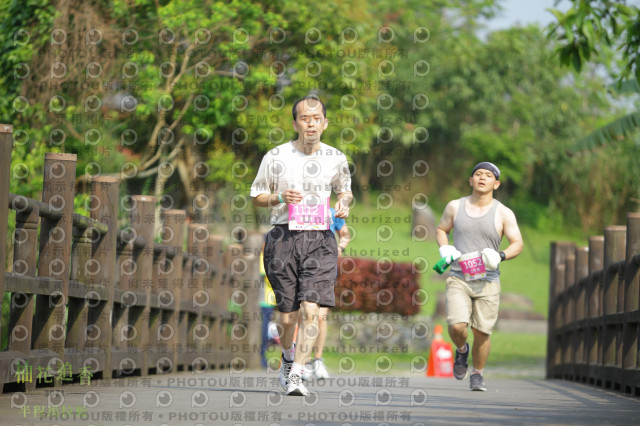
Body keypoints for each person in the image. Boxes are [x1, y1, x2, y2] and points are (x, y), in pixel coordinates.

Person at [250, 95, 352, 396]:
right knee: (287, 314)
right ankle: (287, 357)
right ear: (295, 123)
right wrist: (279, 198)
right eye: (305, 118)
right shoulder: (275, 156)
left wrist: (343, 204)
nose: (311, 122)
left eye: (316, 117)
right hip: (283, 236)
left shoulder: (336, 157)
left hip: (320, 238)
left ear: (325, 123)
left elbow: (345, 192)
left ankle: (297, 373)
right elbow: (256, 196)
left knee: (311, 308)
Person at [435, 162, 523, 391]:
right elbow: (441, 229)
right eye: (478, 174)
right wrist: (445, 249)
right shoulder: (455, 206)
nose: (482, 178)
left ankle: (478, 374)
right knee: (456, 326)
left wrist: (500, 255)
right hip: (459, 277)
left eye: (488, 175)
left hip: (488, 280)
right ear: (470, 181)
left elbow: (518, 244)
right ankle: (462, 350)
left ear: (497, 183)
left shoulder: (503, 212)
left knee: (482, 331)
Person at [303, 207, 350, 381]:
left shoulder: (332, 212)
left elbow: (345, 234)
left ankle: (318, 360)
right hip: (304, 267)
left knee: (321, 316)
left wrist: (340, 247)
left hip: (326, 268)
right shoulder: (302, 210)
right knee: (307, 314)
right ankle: (304, 362)